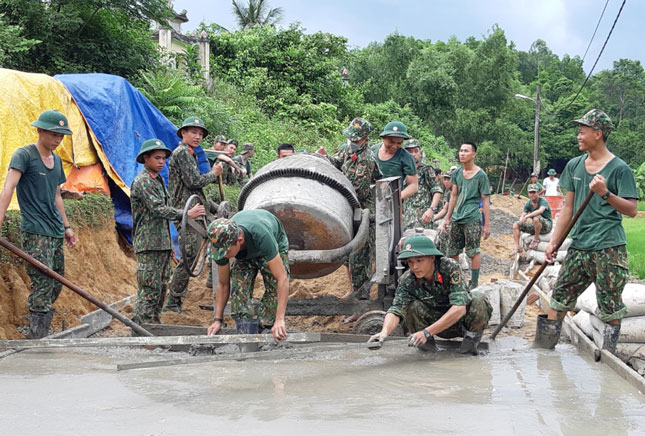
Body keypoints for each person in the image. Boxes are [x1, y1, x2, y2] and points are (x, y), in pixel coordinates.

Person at [535, 109, 639, 353]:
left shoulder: (619, 169)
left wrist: (605, 192)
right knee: (559, 298)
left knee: (610, 305)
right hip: (579, 246)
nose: (578, 136)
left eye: (583, 131)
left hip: (608, 247)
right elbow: (567, 208)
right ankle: (542, 354)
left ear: (598, 134)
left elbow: (632, 210)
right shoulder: (574, 166)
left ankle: (608, 359)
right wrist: (554, 243)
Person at [0, 110, 77, 339]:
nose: (57, 140)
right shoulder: (24, 155)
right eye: (54, 134)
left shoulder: (57, 162)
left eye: (61, 136)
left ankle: (38, 324)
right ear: (40, 130)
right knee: (43, 281)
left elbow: (57, 197)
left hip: (54, 231)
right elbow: (8, 188)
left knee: (56, 281)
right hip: (35, 231)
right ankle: (36, 336)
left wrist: (66, 227)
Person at [368, 236, 492, 355]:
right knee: (411, 307)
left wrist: (426, 332)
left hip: (459, 323)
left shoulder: (449, 267)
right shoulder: (407, 279)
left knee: (478, 300)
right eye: (410, 262)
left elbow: (459, 309)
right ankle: (428, 355)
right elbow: (396, 309)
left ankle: (468, 353)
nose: (415, 267)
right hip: (431, 323)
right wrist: (384, 333)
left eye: (419, 260)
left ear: (432, 257)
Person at [130, 139, 206, 325]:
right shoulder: (143, 182)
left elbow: (163, 214)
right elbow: (159, 209)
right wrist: (187, 214)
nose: (161, 162)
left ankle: (154, 324)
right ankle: (141, 327)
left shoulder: (158, 180)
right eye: (157, 158)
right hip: (148, 244)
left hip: (161, 243)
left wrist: (169, 244)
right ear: (145, 158)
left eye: (163, 158)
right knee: (150, 288)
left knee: (162, 286)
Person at [316, 117, 380, 303]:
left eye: (356, 139)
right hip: (345, 209)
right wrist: (324, 157)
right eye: (350, 137)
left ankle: (361, 299)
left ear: (365, 140)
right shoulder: (347, 149)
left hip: (361, 211)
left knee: (360, 256)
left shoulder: (367, 160)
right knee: (348, 257)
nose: (352, 141)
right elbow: (337, 162)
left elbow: (357, 191)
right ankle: (353, 290)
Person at [166, 116, 223, 313]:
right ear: (183, 133)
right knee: (190, 254)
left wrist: (213, 207)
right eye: (193, 132)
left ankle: (211, 281)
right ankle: (173, 300)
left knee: (215, 241)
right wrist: (213, 174)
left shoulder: (190, 154)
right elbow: (193, 182)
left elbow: (195, 191)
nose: (197, 136)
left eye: (200, 134)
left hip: (197, 208)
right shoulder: (182, 153)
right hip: (187, 211)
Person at [206, 210, 290, 343]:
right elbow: (223, 284)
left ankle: (267, 328)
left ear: (239, 240)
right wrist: (218, 320)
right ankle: (245, 331)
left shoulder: (263, 236)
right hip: (244, 253)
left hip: (271, 244)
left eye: (227, 252)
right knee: (239, 289)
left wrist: (280, 320)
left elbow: (282, 279)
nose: (224, 256)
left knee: (273, 285)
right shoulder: (222, 247)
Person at [439, 142, 491, 289]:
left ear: (473, 154)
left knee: (473, 251)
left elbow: (486, 200)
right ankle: (457, 280)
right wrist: (447, 218)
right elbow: (453, 196)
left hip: (472, 217)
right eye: (460, 150)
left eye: (466, 151)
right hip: (457, 217)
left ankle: (474, 282)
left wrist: (486, 224)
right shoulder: (456, 174)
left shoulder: (481, 175)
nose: (462, 153)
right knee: (453, 250)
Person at [401, 139, 442, 230]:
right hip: (406, 219)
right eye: (409, 151)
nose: (413, 154)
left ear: (420, 153)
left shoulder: (425, 169)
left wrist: (431, 210)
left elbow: (437, 190)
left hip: (423, 218)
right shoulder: (401, 169)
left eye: (416, 151)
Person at [371, 121, 418, 200]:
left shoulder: (406, 157)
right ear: (384, 137)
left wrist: (395, 198)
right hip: (370, 200)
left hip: (392, 203)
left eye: (399, 143)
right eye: (391, 142)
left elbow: (413, 185)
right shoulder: (372, 151)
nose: (394, 146)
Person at [510, 183, 552, 256]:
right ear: (528, 193)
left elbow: (540, 211)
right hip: (536, 225)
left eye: (534, 192)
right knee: (516, 225)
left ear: (538, 193)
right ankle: (517, 247)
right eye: (530, 192)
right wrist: (522, 219)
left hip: (546, 225)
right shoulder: (528, 203)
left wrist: (527, 216)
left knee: (536, 218)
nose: (532, 194)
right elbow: (524, 213)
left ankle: (536, 240)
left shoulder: (542, 201)